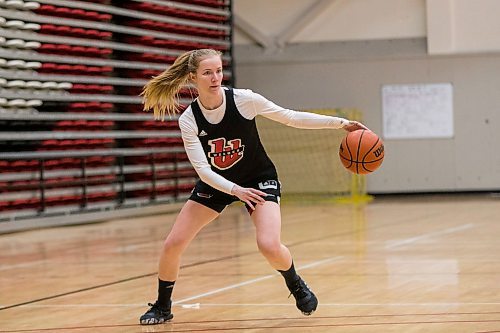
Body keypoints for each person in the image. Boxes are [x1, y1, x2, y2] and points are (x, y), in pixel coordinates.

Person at [139, 48, 368, 325]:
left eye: (219, 71)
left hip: (258, 178)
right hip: (219, 182)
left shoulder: (244, 100)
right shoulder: (189, 119)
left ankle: (295, 283)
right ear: (192, 77)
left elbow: (291, 117)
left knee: (268, 245)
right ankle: (163, 307)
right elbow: (202, 169)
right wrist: (235, 191)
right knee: (173, 243)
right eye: (207, 73)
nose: (215, 77)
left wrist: (340, 124)